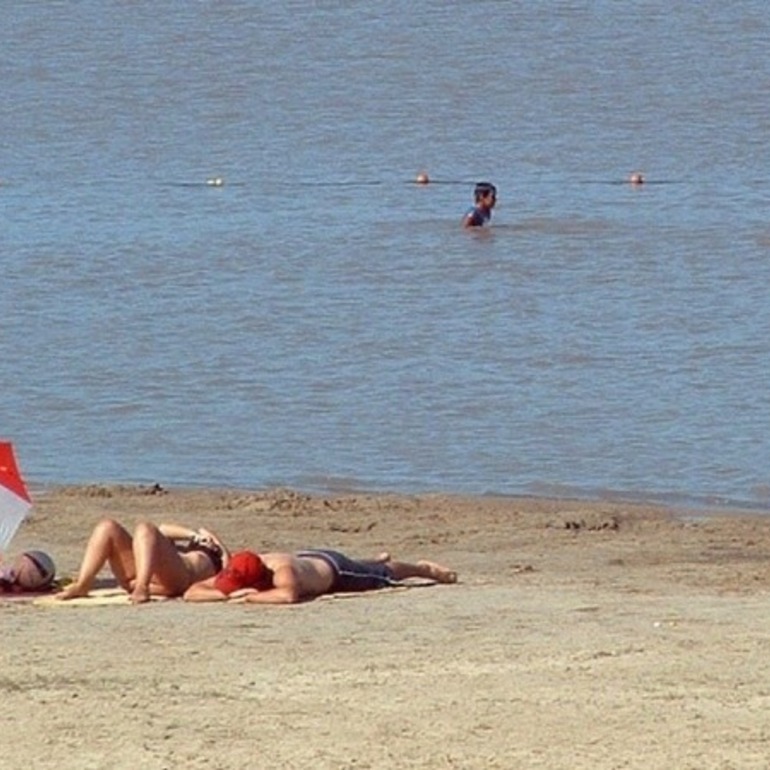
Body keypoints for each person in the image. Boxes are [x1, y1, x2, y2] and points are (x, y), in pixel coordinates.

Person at [183, 548, 457, 604]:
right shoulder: (242, 567)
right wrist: (224, 594)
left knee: (381, 575)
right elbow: (191, 591)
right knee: (367, 564)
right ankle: (375, 557)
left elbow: (288, 596)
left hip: (332, 570)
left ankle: (421, 568)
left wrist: (249, 599)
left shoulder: (282, 572)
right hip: (308, 557)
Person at [55, 519, 229, 604]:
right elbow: (164, 529)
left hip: (179, 579)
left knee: (145, 528)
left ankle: (142, 587)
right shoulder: (173, 550)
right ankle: (84, 583)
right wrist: (194, 535)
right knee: (107, 526)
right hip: (143, 574)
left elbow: (229, 566)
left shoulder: (216, 554)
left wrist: (214, 542)